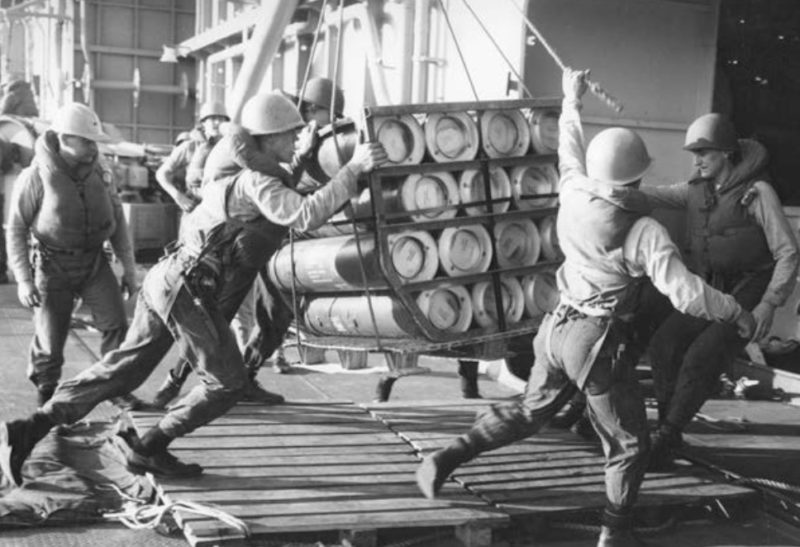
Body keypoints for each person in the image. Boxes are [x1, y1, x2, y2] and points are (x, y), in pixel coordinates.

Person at [415, 68, 756, 547]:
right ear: (638, 174)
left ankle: (447, 457)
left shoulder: (572, 190)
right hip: (596, 342)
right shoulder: (644, 232)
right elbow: (686, 294)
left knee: (529, 411)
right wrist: (736, 312)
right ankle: (613, 535)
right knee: (628, 443)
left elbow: (568, 150)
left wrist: (571, 100)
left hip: (554, 329)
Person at [0, 91, 387, 485]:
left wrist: (326, 170)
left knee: (124, 370)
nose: (295, 142)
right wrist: (352, 168)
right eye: (289, 135)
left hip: (167, 278)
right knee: (228, 383)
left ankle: (30, 427)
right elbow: (303, 214)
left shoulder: (237, 176)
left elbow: (297, 201)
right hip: (186, 287)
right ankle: (149, 447)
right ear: (267, 137)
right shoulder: (255, 182)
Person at [642, 113, 799, 470]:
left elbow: (788, 253)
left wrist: (768, 305)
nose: (697, 160)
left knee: (703, 354)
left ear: (727, 153)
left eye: (705, 152)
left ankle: (666, 435)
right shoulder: (697, 190)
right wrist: (610, 189)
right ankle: (670, 430)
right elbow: (656, 195)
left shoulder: (758, 194)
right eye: (694, 152)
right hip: (712, 286)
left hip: (749, 289)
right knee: (664, 343)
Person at [5, 102, 140, 407]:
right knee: (50, 343)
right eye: (87, 141)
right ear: (65, 138)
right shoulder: (35, 176)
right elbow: (15, 229)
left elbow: (117, 222)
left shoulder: (102, 172)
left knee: (116, 324)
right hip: (53, 266)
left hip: (94, 262)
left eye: (95, 142)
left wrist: (130, 270)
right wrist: (25, 281)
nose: (94, 148)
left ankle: (115, 389)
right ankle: (46, 400)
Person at [155, 101, 229, 213]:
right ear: (203, 123)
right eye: (212, 118)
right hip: (197, 208)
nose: (217, 122)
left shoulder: (230, 147)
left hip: (224, 207)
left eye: (221, 119)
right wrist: (178, 196)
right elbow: (161, 174)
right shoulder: (190, 147)